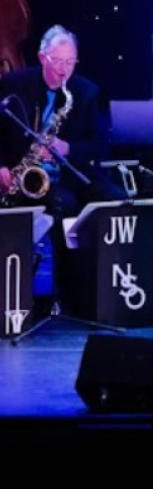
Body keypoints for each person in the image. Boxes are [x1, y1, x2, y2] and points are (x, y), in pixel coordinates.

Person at [0, 25, 110, 306]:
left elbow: (99, 145)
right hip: (15, 175)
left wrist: (67, 148)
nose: (64, 70)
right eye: (57, 61)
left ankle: (75, 296)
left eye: (70, 62)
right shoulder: (13, 84)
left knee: (77, 203)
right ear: (41, 57)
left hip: (62, 179)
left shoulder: (87, 93)